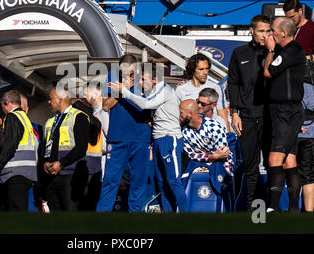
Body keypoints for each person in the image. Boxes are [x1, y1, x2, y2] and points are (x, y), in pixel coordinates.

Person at [109, 63, 188, 212]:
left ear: (155, 79)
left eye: (143, 79)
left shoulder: (164, 89)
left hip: (169, 139)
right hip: (158, 140)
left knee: (173, 181)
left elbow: (146, 104)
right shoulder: (153, 91)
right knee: (161, 182)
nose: (140, 83)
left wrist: (124, 91)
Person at [96, 54, 152, 212]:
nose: (129, 77)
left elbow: (156, 103)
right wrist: (123, 90)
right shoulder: (112, 76)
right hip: (117, 137)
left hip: (141, 137)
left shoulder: (147, 78)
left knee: (138, 183)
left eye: (132, 73)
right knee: (110, 182)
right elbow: (106, 106)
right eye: (125, 74)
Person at [227, 14, 270, 210]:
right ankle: (254, 212)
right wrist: (234, 112)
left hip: (269, 117)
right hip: (246, 116)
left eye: (268, 31)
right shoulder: (239, 52)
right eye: (262, 31)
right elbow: (233, 84)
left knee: (272, 166)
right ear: (251, 30)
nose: (265, 35)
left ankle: (271, 208)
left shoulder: (274, 53)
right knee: (251, 166)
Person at [263, 16, 306, 213]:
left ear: (283, 33)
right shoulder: (287, 50)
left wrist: (271, 50)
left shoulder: (292, 50)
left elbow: (269, 72)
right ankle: (293, 210)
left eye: (272, 30)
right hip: (281, 110)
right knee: (289, 160)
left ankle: (272, 207)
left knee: (274, 159)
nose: (269, 34)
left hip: (287, 111)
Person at [41, 88, 89, 211]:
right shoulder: (50, 121)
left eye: (51, 98)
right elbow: (45, 146)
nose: (48, 102)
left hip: (71, 176)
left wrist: (61, 163)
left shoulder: (79, 116)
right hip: (51, 176)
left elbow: (81, 148)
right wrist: (45, 162)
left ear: (60, 99)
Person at [0, 90, 38, 211]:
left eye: (2, 105)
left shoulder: (12, 117)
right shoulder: (24, 118)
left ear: (6, 103)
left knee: (14, 210)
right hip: (27, 172)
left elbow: (9, 144)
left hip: (15, 173)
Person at [296, 54, 314, 212]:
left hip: (291, 130)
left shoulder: (287, 70)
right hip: (312, 130)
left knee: (291, 172)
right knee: (308, 175)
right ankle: (308, 215)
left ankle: (292, 212)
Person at [176, 53, 230, 132]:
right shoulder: (181, 89)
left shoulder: (215, 87)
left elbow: (223, 115)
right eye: (201, 69)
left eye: (207, 69)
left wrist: (228, 137)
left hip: (212, 134)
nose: (205, 72)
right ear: (193, 70)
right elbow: (176, 116)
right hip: (189, 136)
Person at [180, 99, 233, 175]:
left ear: (190, 114)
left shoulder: (213, 127)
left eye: (181, 113)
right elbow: (191, 155)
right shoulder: (184, 131)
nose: (178, 116)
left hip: (220, 166)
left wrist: (214, 157)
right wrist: (212, 156)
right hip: (199, 165)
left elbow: (223, 154)